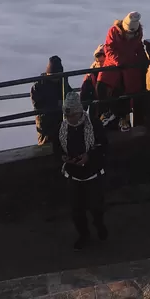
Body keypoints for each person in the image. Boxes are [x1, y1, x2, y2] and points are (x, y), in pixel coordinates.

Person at [54, 92, 108, 250]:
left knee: (96, 206)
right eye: (67, 115)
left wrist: (89, 156)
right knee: (76, 211)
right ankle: (83, 234)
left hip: (93, 174)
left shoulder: (95, 125)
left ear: (80, 112)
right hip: (73, 175)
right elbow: (57, 150)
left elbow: (104, 146)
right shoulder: (61, 129)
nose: (69, 119)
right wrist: (64, 158)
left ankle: (99, 224)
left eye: (73, 115)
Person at [100, 12, 149, 132]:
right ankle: (109, 118)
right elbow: (109, 49)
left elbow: (138, 47)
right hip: (113, 68)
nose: (130, 34)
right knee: (107, 91)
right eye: (128, 32)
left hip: (128, 70)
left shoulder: (138, 33)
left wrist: (144, 61)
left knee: (128, 94)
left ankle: (124, 120)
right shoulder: (113, 31)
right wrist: (120, 62)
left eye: (132, 32)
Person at [30, 56, 71, 146]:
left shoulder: (62, 81)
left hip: (61, 121)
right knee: (46, 147)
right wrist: (58, 103)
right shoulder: (39, 85)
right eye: (54, 76)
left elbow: (70, 96)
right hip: (46, 123)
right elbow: (38, 105)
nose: (56, 79)